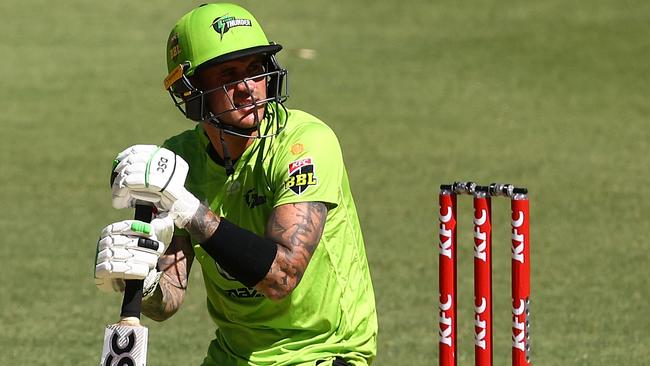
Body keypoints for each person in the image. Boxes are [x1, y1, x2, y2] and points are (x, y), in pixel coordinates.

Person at [94, 3, 377, 366]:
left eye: (256, 70)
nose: (248, 88)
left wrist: (188, 209)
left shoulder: (305, 144)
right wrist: (143, 279)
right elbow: (170, 297)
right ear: (190, 90)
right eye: (228, 75)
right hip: (234, 355)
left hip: (322, 352)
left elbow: (282, 276)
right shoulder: (180, 160)